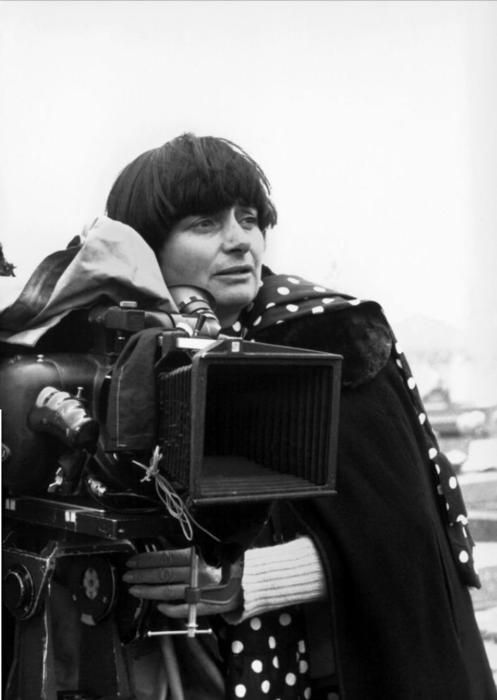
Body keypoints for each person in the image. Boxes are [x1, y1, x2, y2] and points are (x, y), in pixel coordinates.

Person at [0, 133, 495, 700]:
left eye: (250, 219)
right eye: (204, 224)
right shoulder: (105, 344)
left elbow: (405, 546)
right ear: (146, 248)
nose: (239, 241)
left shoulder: (327, 341)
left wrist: (241, 582)